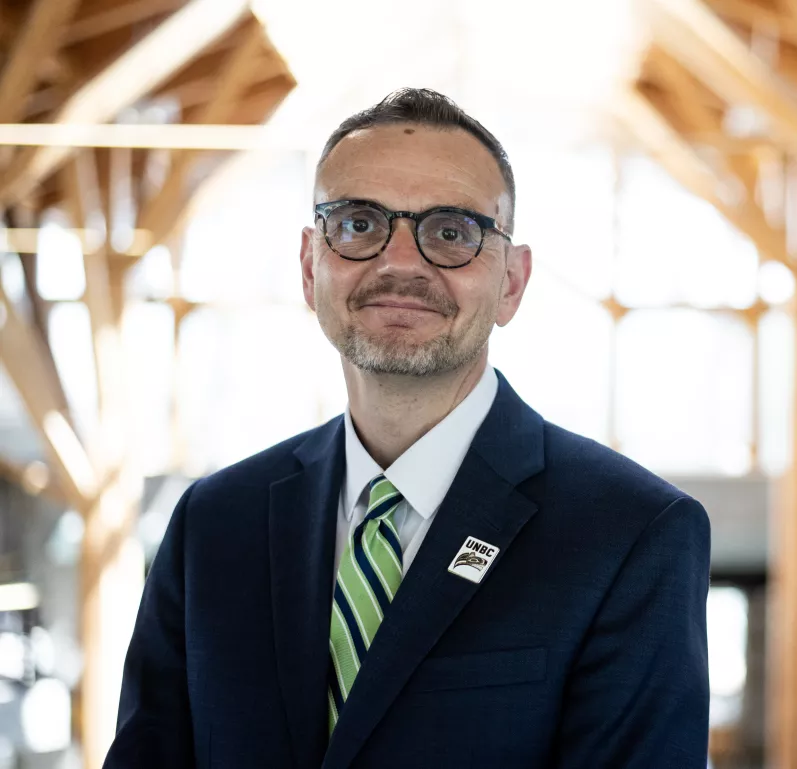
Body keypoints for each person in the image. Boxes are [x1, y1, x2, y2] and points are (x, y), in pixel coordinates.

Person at [105, 88, 711, 769]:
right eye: (359, 223)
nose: (400, 261)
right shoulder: (214, 524)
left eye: (451, 232)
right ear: (311, 267)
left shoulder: (631, 533)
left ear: (512, 282)